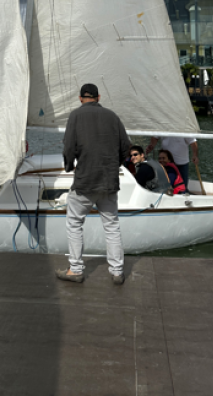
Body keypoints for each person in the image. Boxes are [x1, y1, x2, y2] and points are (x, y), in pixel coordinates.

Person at [56, 83, 130, 285]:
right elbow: (126, 147)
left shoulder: (75, 116)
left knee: (74, 223)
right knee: (112, 225)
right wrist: (113, 165)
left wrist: (70, 166)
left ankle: (76, 269)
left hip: (85, 181)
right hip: (109, 181)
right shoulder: (112, 116)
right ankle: (117, 272)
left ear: (80, 98)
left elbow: (68, 147)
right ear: (98, 97)